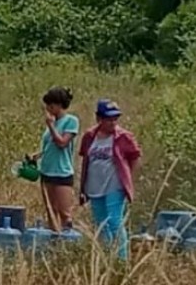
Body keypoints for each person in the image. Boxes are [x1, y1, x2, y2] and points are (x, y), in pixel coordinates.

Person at [79, 99, 141, 261]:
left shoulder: (123, 137)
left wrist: (126, 177)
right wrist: (82, 187)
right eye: (108, 119)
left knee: (114, 221)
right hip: (94, 185)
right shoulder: (90, 136)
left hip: (114, 185)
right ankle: (107, 257)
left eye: (115, 119)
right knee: (101, 224)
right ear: (99, 118)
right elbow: (85, 159)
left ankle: (122, 260)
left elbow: (134, 156)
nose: (113, 122)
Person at [29, 87, 79, 231]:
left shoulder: (71, 121)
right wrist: (38, 154)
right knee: (51, 211)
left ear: (58, 105)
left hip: (61, 171)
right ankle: (54, 238)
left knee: (64, 212)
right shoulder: (53, 123)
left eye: (51, 106)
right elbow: (50, 146)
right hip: (47, 170)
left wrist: (51, 126)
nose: (48, 109)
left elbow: (62, 143)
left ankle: (67, 238)